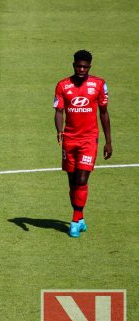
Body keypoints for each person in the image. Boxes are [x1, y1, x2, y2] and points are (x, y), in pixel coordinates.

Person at [54, 50, 112, 238]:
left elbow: (103, 113)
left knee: (81, 180)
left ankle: (74, 220)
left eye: (85, 67)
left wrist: (108, 141)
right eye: (78, 66)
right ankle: (80, 219)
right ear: (73, 65)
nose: (81, 69)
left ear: (89, 67)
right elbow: (59, 111)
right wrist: (59, 130)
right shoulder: (63, 85)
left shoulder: (99, 84)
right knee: (72, 183)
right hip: (70, 139)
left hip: (89, 139)